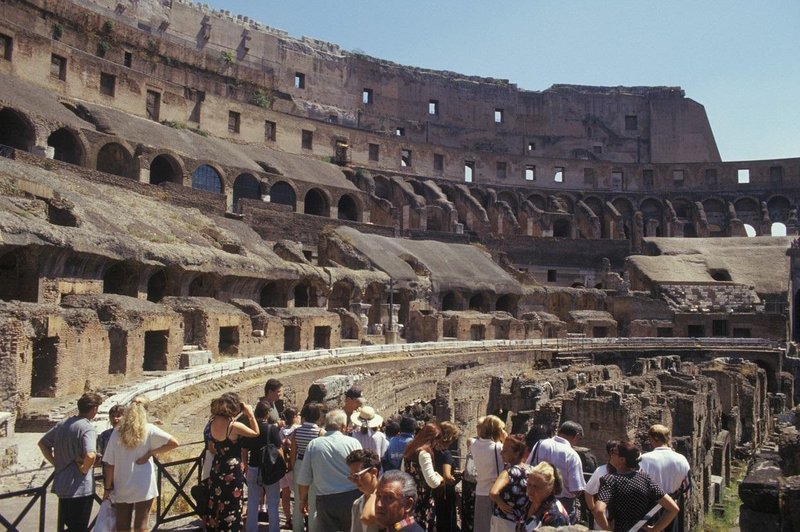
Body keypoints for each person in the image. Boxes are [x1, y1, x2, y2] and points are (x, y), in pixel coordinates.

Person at [102, 397, 179, 532]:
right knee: (141, 526)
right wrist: (150, 453)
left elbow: (109, 464)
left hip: (122, 484)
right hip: (144, 484)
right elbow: (174, 443)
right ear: (146, 411)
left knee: (122, 526)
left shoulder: (117, 432)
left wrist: (107, 488)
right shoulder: (149, 429)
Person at [38, 392, 103, 532]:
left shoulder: (63, 424)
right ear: (94, 409)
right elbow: (91, 455)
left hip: (62, 484)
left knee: (68, 525)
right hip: (80, 487)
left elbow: (43, 444)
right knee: (79, 527)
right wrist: (84, 469)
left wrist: (55, 462)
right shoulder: (87, 428)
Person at [297, 409, 363, 531]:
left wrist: (303, 500)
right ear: (343, 426)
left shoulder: (314, 445)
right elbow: (361, 472)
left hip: (326, 499)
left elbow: (304, 478)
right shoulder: (353, 443)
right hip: (351, 496)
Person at [593, 440, 679, 532]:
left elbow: (599, 510)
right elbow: (673, 508)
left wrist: (608, 530)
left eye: (613, 452)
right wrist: (655, 529)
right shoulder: (645, 478)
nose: (611, 454)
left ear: (622, 460)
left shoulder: (609, 480)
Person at [205, 393, 260, 531]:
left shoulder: (211, 423)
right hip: (232, 470)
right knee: (232, 505)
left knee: (216, 502)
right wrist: (250, 414)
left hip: (217, 468)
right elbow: (255, 432)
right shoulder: (234, 426)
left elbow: (211, 447)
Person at [525, 420, 585, 524]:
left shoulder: (541, 444)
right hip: (563, 504)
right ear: (576, 435)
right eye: (579, 439)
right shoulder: (572, 455)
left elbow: (529, 467)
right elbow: (576, 488)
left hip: (537, 497)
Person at [239, 400, 284, 532]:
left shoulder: (250, 428)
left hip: (253, 467)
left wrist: (246, 466)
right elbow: (279, 448)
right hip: (270, 468)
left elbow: (244, 450)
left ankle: (251, 529)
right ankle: (274, 529)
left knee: (252, 501)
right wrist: (283, 465)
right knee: (273, 501)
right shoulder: (272, 428)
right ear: (267, 413)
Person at [639, 424, 691, 532]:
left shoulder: (644, 460)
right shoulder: (682, 459)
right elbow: (686, 487)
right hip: (671, 510)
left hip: (649, 512)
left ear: (653, 438)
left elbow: (637, 486)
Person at [401, 422, 443, 530]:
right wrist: (439, 478)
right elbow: (432, 482)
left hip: (409, 496)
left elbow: (403, 473)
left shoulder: (409, 450)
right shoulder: (424, 454)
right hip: (423, 500)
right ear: (431, 439)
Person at [290, 401, 324, 532]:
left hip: (300, 463)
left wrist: (293, 467)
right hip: (314, 466)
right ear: (317, 416)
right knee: (313, 502)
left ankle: (297, 529)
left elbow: (293, 453)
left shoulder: (297, 432)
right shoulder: (320, 432)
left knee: (299, 500)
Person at [471, 415, 506, 532]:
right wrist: (504, 437)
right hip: (496, 494)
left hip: (480, 491)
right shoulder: (499, 448)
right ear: (497, 431)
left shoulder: (474, 445)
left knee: (481, 527)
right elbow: (513, 451)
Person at [488, 434, 530, 532]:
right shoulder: (530, 470)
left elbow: (493, 492)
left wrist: (500, 502)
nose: (501, 453)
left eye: (505, 450)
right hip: (520, 520)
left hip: (503, 520)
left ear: (517, 453)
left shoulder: (509, 472)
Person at [517, 462, 570, 531]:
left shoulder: (555, 515)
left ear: (551, 488)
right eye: (529, 485)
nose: (530, 491)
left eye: (536, 487)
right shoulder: (529, 502)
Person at [433, 421, 462, 531]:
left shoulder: (433, 449)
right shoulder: (446, 454)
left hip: (436, 490)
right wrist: (457, 477)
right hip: (445, 492)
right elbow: (447, 476)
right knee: (447, 521)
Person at [583, 439, 619, 524]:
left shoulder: (626, 471)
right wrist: (593, 510)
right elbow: (588, 492)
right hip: (604, 519)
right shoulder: (601, 471)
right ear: (612, 454)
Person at [345, 448, 381, 532]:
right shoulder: (357, 504)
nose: (354, 481)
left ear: (374, 472)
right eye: (352, 477)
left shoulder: (387, 501)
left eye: (357, 475)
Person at [280, 407, 301, 530]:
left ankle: (288, 519)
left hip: (283, 466)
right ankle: (299, 519)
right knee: (299, 495)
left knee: (285, 494)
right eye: (298, 415)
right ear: (294, 416)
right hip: (294, 465)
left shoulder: (281, 430)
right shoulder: (298, 430)